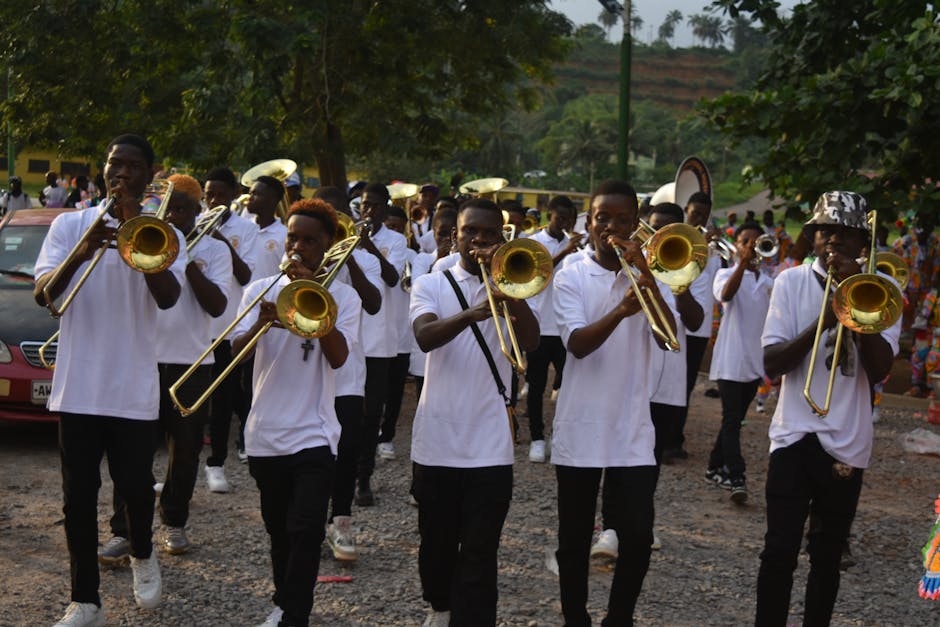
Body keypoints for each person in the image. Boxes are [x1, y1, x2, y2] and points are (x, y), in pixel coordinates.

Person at [34, 134, 187, 626]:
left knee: (138, 490)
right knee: (77, 497)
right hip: (78, 386)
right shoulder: (70, 224)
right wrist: (82, 251)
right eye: (112, 164)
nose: (119, 173)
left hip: (131, 388)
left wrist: (134, 237)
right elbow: (45, 294)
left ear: (149, 174)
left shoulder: (164, 234)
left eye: (131, 166)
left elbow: (167, 298)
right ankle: (86, 601)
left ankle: (142, 551)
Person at [756, 191, 901, 625]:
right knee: (779, 549)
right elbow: (772, 363)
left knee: (827, 554)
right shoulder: (790, 282)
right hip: (793, 434)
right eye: (824, 231)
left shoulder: (882, 290)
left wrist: (855, 308)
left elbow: (879, 372)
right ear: (813, 237)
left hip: (846, 442)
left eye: (845, 233)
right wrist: (828, 316)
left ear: (863, 243)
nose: (833, 240)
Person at [410, 197, 539, 626]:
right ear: (454, 236)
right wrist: (473, 312)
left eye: (489, 233)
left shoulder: (514, 279)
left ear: (502, 237)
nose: (480, 241)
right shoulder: (432, 281)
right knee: (437, 543)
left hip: (489, 442)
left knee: (482, 551)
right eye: (471, 232)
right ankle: (439, 605)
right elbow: (425, 337)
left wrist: (511, 298)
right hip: (438, 439)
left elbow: (533, 344)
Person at [552, 180, 676, 627]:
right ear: (589, 222)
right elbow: (578, 344)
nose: (611, 226)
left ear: (636, 223)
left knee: (639, 535)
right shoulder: (569, 275)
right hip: (581, 423)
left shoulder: (649, 273)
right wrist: (623, 310)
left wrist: (648, 280)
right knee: (572, 537)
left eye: (623, 219)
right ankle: (576, 618)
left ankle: (618, 618)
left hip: (630, 427)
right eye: (603, 217)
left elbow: (669, 340)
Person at [231, 198, 360, 627]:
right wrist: (260, 325)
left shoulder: (342, 297)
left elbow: (339, 358)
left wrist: (314, 306)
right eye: (293, 237)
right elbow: (233, 356)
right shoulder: (257, 290)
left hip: (315, 433)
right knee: (280, 531)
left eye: (310, 240)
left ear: (327, 247)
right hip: (265, 432)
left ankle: (294, 616)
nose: (298, 247)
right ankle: (284, 602)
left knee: (306, 528)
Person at [101, 185, 230, 562]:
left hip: (193, 362)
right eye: (170, 208)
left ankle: (174, 520)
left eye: (185, 209)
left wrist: (185, 259)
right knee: (131, 448)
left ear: (197, 211)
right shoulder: (141, 238)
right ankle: (122, 530)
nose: (175, 216)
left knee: (185, 450)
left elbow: (218, 305)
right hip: (143, 357)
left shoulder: (215, 250)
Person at [313, 185, 382, 562]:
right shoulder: (300, 252)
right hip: (307, 372)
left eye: (338, 216)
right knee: (311, 451)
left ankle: (340, 519)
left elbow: (373, 303)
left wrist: (350, 255)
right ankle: (309, 520)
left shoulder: (363, 258)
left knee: (345, 449)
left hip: (348, 373)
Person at [704, 220, 773, 504]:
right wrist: (742, 265)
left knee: (735, 420)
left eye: (757, 242)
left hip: (754, 363)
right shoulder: (724, 274)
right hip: (731, 360)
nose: (752, 247)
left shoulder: (769, 283)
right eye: (746, 241)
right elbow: (726, 296)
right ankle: (737, 476)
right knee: (732, 419)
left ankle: (713, 466)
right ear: (737, 246)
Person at [203, 166, 260, 493]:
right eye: (209, 195)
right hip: (195, 330)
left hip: (227, 327)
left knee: (222, 401)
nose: (213, 201)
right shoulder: (192, 223)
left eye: (220, 195)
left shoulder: (245, 230)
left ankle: (217, 463)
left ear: (233, 196)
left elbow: (245, 276)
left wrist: (220, 239)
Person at [355, 183, 407, 506]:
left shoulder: (396, 241)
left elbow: (391, 278)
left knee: (372, 411)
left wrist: (370, 247)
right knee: (345, 408)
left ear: (385, 210)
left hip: (380, 341)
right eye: (364, 205)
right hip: (350, 335)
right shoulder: (347, 236)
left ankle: (363, 478)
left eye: (374, 206)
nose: (368, 211)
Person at [524, 195, 582, 463]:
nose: (564, 224)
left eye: (568, 220)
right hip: (540, 325)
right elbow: (537, 276)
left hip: (566, 328)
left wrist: (575, 250)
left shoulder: (577, 247)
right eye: (560, 219)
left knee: (570, 385)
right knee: (536, 386)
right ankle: (537, 438)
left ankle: (561, 435)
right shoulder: (535, 242)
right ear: (549, 216)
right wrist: (565, 252)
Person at [663, 190, 720, 462]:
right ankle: (667, 439)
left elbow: (717, 282)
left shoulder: (712, 248)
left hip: (700, 324)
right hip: (677, 322)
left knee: (684, 385)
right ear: (686, 210)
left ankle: (675, 437)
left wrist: (710, 249)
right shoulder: (675, 239)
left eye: (704, 215)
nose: (699, 218)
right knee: (671, 380)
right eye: (695, 213)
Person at [377, 207, 418, 461]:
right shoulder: (369, 250)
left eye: (397, 227)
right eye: (388, 226)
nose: (392, 230)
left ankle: (387, 437)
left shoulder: (414, 256)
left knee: (394, 391)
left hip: (401, 333)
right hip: (378, 333)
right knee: (374, 391)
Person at [893, 211, 939, 331]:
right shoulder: (906, 241)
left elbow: (936, 263)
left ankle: (921, 335)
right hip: (910, 282)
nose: (922, 236)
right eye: (919, 233)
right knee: (909, 308)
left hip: (927, 283)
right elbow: (895, 257)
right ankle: (907, 332)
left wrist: (935, 277)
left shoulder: (935, 243)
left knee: (926, 310)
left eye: (925, 233)